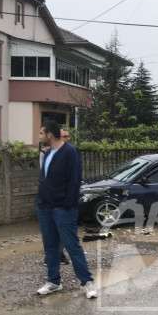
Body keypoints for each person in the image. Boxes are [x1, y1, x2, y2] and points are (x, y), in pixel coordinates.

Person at [36, 120, 96, 298]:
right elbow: (44, 179)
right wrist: (41, 202)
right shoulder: (47, 153)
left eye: (41, 133)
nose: (39, 136)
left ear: (50, 134)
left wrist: (67, 204)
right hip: (45, 207)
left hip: (63, 208)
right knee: (50, 246)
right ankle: (54, 281)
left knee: (71, 245)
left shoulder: (70, 152)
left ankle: (87, 282)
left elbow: (75, 180)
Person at [38, 128, 72, 265]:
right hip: (51, 198)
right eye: (64, 136)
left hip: (64, 198)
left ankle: (58, 254)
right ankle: (51, 256)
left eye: (67, 136)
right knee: (50, 230)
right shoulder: (46, 153)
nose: (67, 138)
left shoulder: (70, 152)